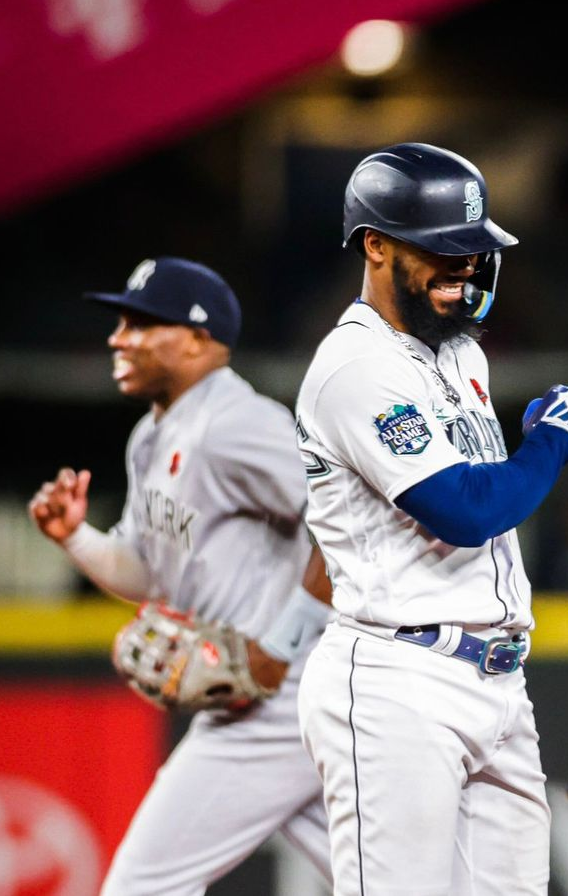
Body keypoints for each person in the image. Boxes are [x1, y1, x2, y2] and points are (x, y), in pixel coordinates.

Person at [294, 143, 568, 895]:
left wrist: (530, 448)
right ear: (375, 245)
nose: (466, 265)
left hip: (496, 679)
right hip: (399, 683)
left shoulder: (459, 354)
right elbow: (463, 512)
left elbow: (478, 487)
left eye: (473, 247)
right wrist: (553, 444)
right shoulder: (356, 366)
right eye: (443, 249)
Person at [28, 257, 335, 894]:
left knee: (143, 888)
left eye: (142, 323)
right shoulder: (150, 437)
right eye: (120, 321)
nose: (119, 337)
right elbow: (147, 574)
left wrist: (281, 644)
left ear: (199, 340)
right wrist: (77, 538)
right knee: (388, 879)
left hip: (283, 696)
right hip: (265, 696)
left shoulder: (237, 423)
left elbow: (352, 520)